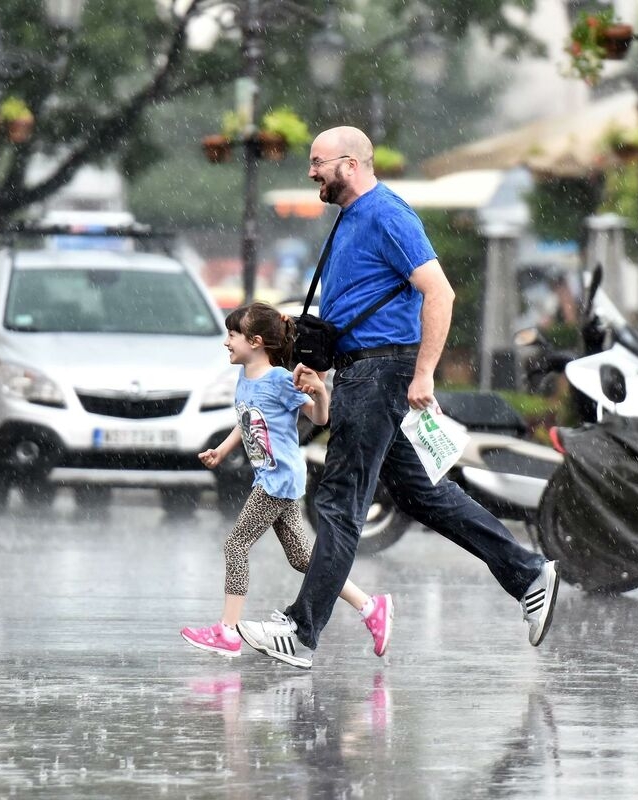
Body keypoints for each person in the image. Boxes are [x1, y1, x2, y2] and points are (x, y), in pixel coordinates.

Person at [236, 127, 559, 670]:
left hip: (382, 374)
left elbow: (440, 291)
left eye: (318, 163)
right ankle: (528, 573)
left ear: (351, 164)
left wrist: (424, 374)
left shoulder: (388, 213)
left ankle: (301, 630)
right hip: (363, 371)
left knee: (338, 502)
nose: (311, 172)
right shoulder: (350, 219)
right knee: (424, 496)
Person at [180, 302, 394, 659]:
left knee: (235, 547)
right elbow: (246, 419)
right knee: (301, 558)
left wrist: (321, 391)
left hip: (278, 481)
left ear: (257, 341)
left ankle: (228, 632)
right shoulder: (245, 377)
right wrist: (222, 449)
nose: (226, 342)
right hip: (272, 478)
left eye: (233, 335)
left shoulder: (280, 379)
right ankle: (370, 607)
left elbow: (320, 418)